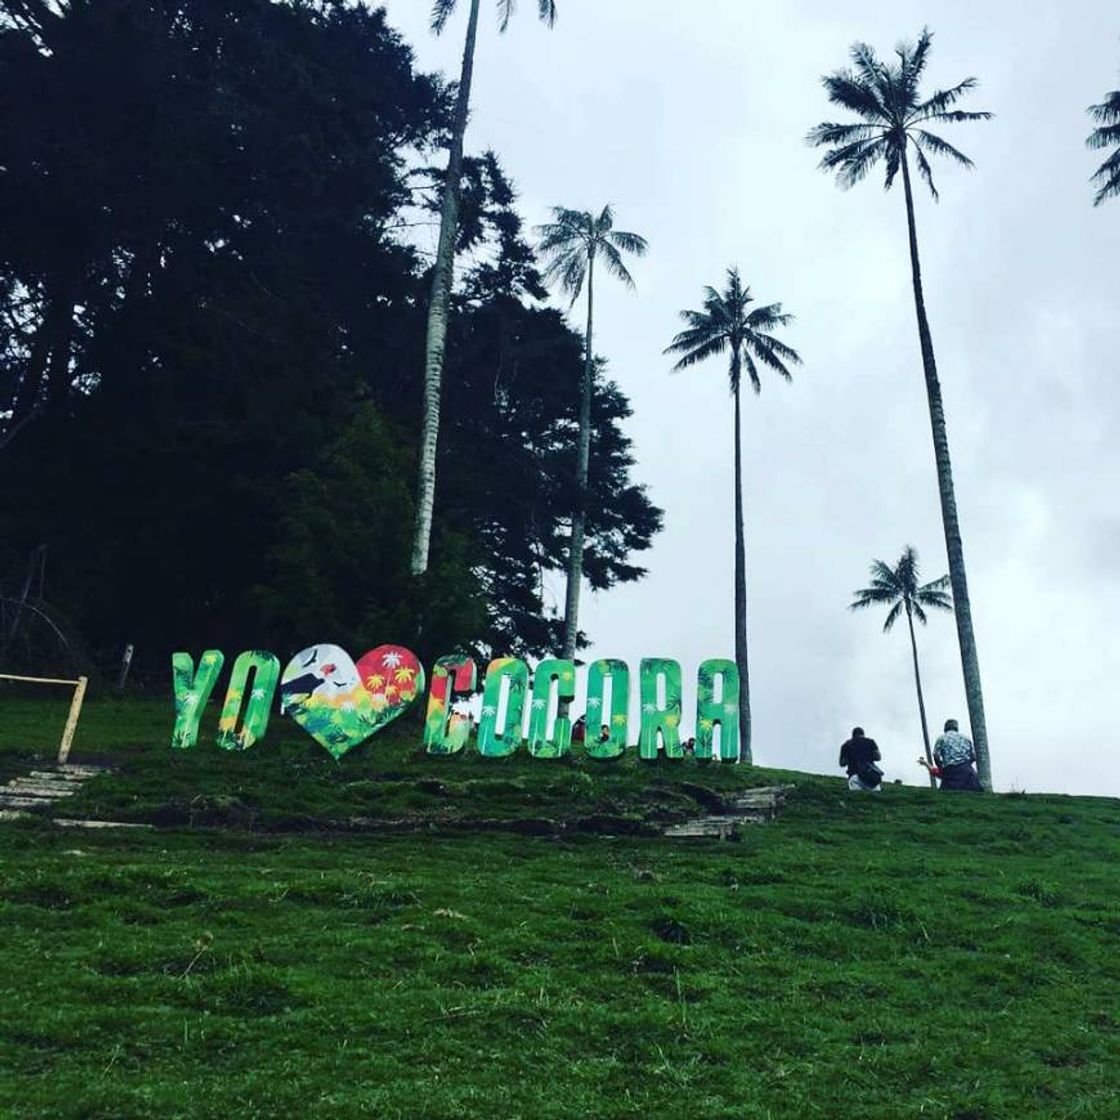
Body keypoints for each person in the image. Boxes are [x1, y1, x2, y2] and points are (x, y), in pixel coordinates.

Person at [919, 719, 982, 791]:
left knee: (947, 794)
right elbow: (974, 757)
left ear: (945, 728)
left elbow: (936, 756)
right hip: (968, 773)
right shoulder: (966, 739)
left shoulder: (941, 738)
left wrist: (941, 768)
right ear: (957, 728)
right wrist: (964, 765)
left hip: (951, 771)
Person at [839, 727, 883, 791]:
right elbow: (878, 757)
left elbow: (842, 763)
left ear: (853, 735)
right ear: (863, 734)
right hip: (871, 777)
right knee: (875, 798)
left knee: (857, 798)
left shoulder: (847, 745)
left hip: (855, 776)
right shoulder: (870, 742)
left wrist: (851, 756)